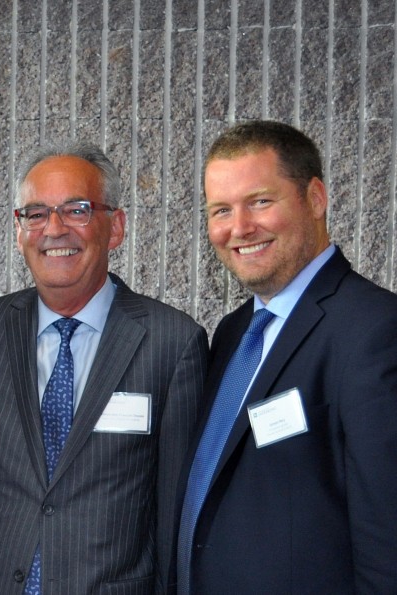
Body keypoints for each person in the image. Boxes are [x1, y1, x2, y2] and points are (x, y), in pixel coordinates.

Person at [0, 143, 208, 594]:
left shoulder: (174, 343)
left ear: (116, 227)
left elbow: (175, 513)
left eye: (77, 210)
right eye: (37, 213)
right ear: (19, 229)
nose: (55, 229)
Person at [174, 120, 397, 594]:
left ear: (315, 198)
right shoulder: (234, 333)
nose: (239, 227)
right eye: (220, 210)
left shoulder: (375, 330)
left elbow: (388, 533)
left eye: (260, 201)